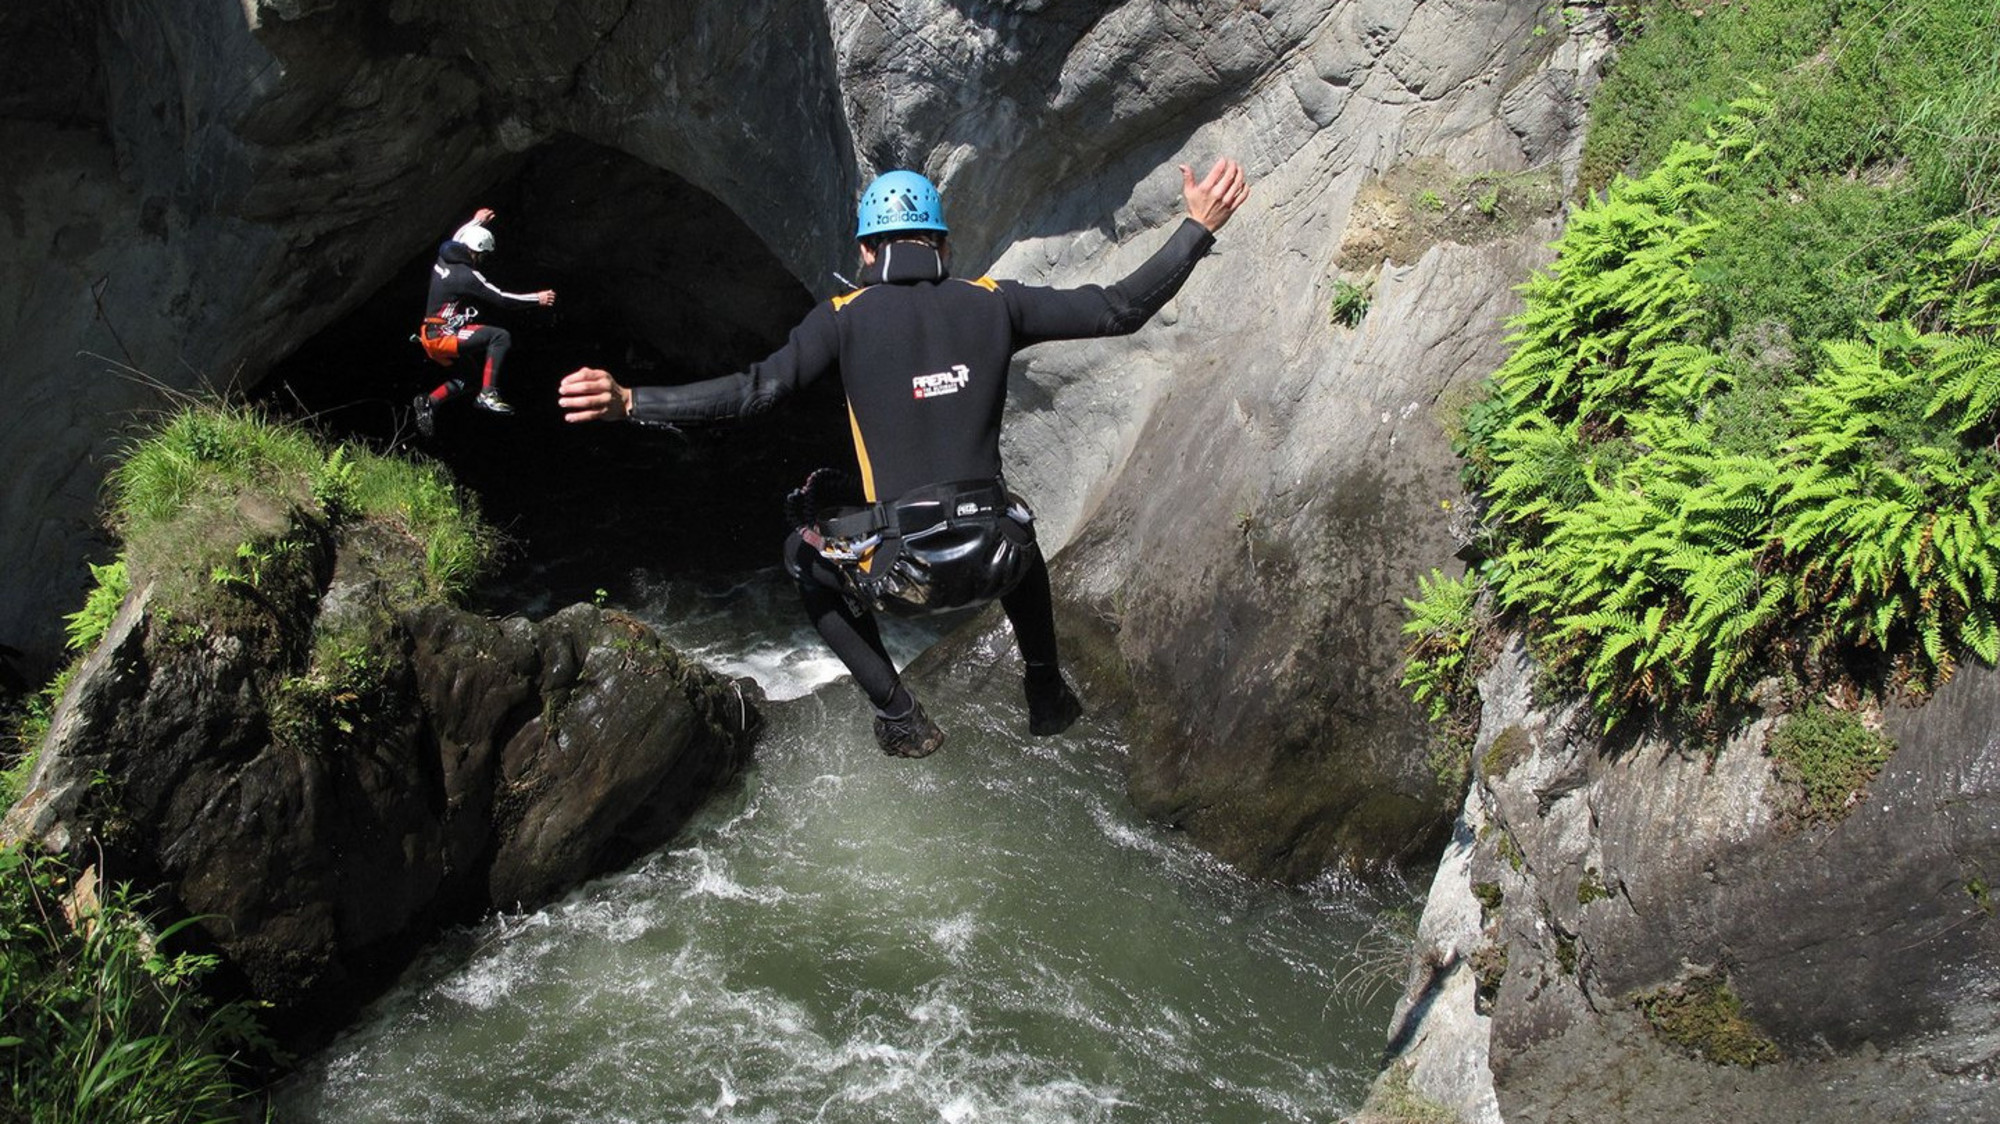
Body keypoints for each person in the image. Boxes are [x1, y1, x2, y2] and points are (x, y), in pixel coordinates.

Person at [557, 159, 1250, 757]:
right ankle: (1044, 687)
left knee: (803, 557)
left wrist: (631, 401)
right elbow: (1119, 308)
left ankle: (899, 714)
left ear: (865, 253)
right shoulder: (996, 303)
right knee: (1015, 520)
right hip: (995, 558)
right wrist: (1198, 227)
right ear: (942, 245)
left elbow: (754, 391)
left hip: (902, 571)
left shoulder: (842, 314)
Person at [413, 207, 557, 436]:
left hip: (429, 335)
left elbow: (459, 237)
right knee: (500, 336)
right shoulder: (467, 276)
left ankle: (429, 402)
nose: (482, 260)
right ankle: (488, 394)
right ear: (476, 252)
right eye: (483, 255)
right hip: (442, 337)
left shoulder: (445, 255)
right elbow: (502, 298)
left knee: (468, 377)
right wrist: (536, 298)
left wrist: (476, 221)